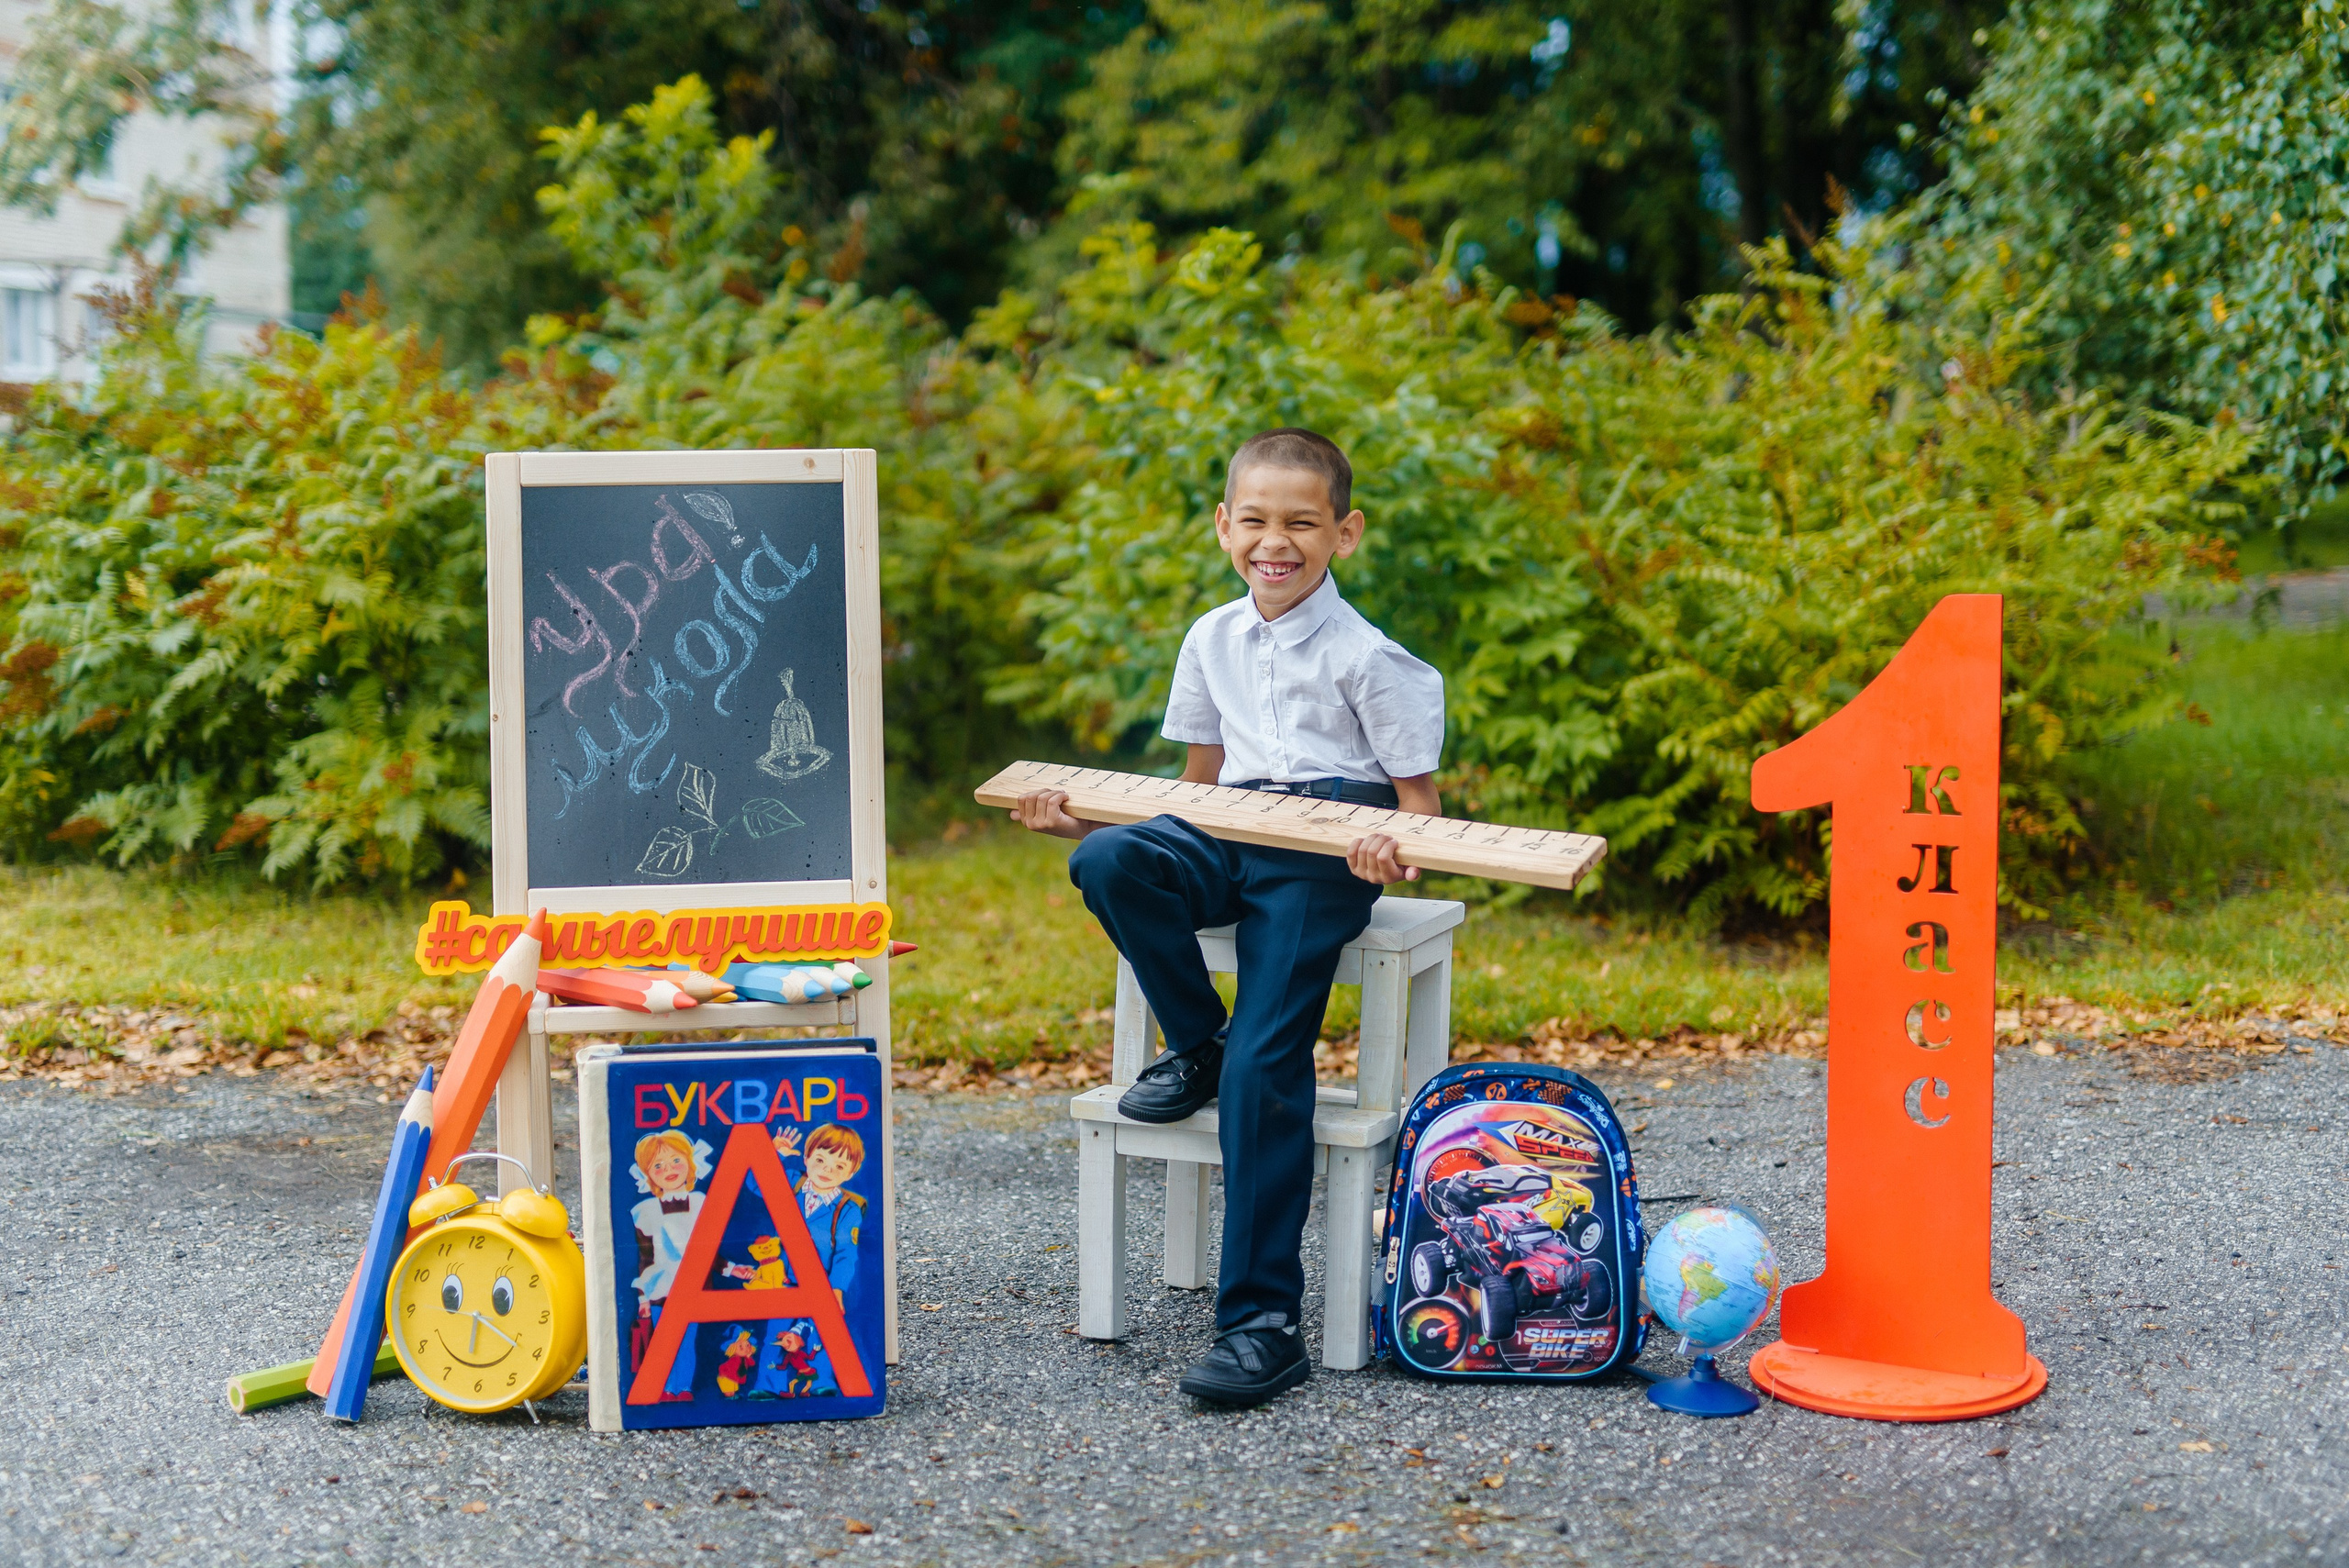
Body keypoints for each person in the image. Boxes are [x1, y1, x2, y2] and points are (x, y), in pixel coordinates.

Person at [1008, 428, 1443, 1405]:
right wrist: (1084, 816)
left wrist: (1389, 841)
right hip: (1231, 821)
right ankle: (1195, 1039)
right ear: (1223, 525)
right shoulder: (1210, 637)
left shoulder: (1372, 658)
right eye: (1254, 519)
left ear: (1345, 532)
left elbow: (1419, 804)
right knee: (1111, 857)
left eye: (1300, 522)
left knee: (1268, 1059)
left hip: (1330, 851)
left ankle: (1260, 1320)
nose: (1274, 541)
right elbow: (1193, 791)